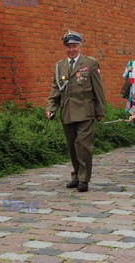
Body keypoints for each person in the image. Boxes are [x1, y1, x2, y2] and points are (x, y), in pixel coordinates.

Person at [46, 30, 105, 192]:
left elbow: (98, 89)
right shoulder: (60, 66)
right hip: (67, 112)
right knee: (72, 146)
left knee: (83, 145)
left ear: (80, 46)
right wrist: (51, 107)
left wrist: (100, 110)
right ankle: (77, 174)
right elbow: (55, 89)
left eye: (74, 46)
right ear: (65, 47)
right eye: (68, 46)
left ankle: (84, 179)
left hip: (86, 111)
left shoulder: (90, 63)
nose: (71, 49)